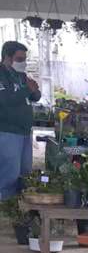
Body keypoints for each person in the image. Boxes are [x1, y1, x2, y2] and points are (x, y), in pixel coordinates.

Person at [0, 41, 40, 199]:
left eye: (24, 59)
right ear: (7, 57)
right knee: (10, 172)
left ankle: (19, 205)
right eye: (19, 59)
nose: (23, 63)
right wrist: (26, 89)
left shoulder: (21, 75)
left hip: (24, 131)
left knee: (24, 172)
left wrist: (35, 91)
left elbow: (34, 96)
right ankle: (5, 205)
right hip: (7, 131)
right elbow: (5, 100)